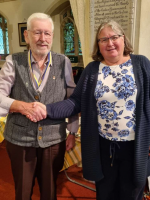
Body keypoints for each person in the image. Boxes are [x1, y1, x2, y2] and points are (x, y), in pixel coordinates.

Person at [29, 20, 150, 200]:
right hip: (103, 146)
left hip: (135, 146)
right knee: (105, 192)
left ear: (123, 39)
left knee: (132, 192)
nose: (109, 43)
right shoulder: (92, 70)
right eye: (103, 40)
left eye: (114, 37)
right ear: (98, 45)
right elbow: (75, 102)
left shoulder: (140, 64)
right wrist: (47, 109)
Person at [0, 12, 79, 200]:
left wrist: (73, 132)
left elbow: (72, 99)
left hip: (53, 139)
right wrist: (21, 106)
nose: (42, 39)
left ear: (52, 36)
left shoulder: (63, 62)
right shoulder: (13, 61)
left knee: (50, 191)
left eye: (47, 33)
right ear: (27, 35)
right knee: (23, 191)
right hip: (19, 140)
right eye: (37, 33)